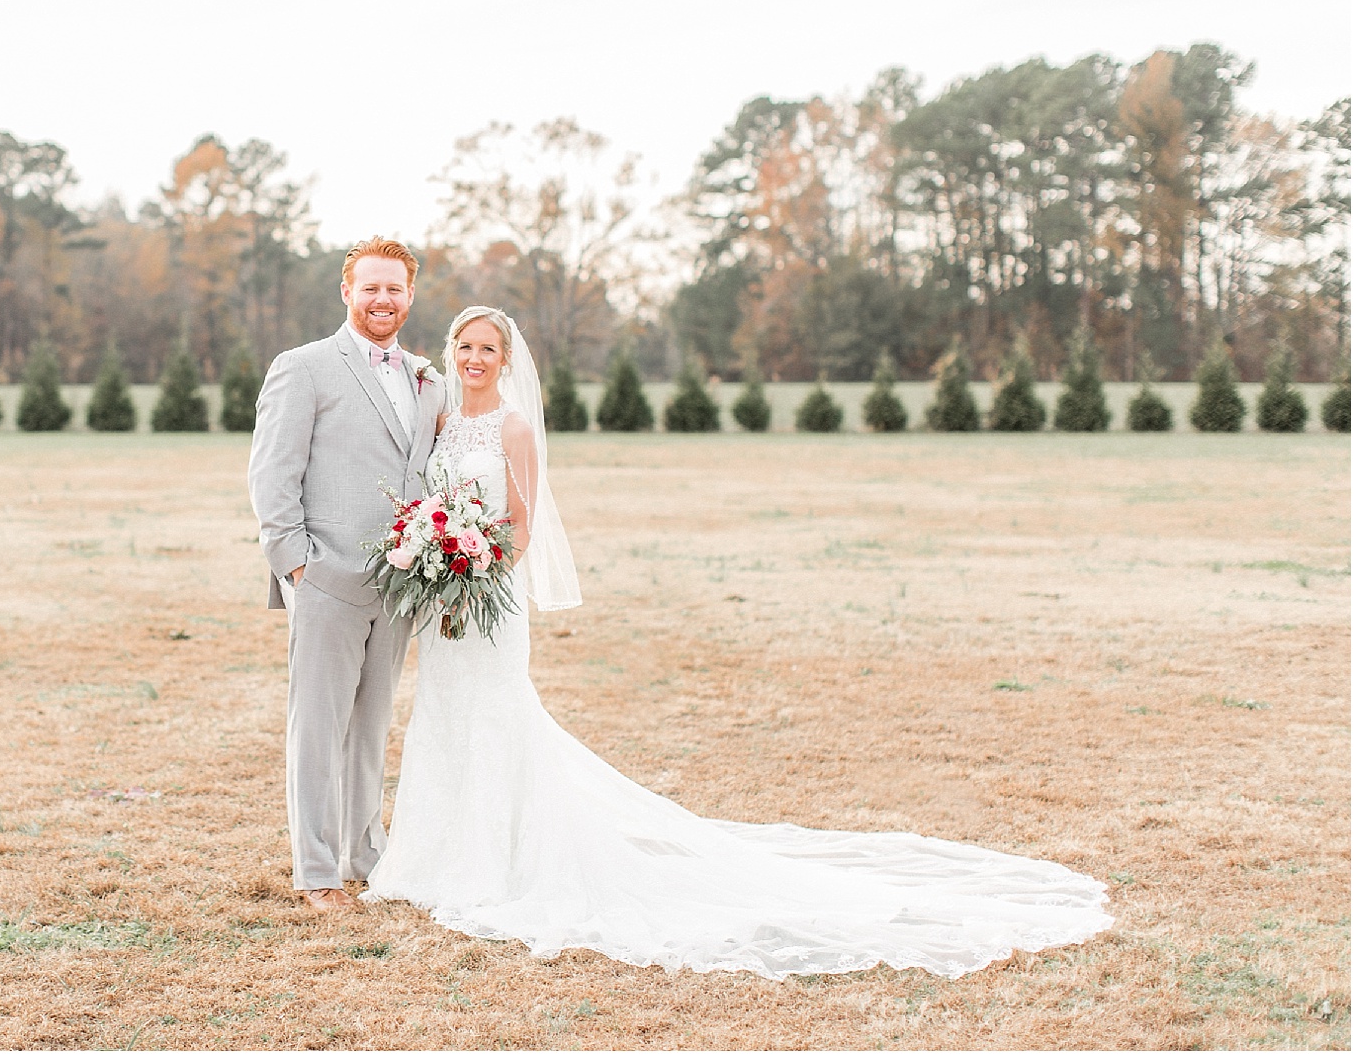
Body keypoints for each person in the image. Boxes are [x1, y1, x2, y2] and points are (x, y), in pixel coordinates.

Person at [361, 305, 1115, 979]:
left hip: (490, 602)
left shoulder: (515, 429)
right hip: (444, 607)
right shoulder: (441, 424)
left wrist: (478, 575)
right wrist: (435, 562)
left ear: (507, 358)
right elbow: (432, 503)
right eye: (465, 344)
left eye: (488, 347)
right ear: (452, 349)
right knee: (444, 716)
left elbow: (522, 527)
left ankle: (496, 864)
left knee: (497, 718)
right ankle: (434, 856)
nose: (474, 358)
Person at [246, 237, 446, 912]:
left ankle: (366, 853)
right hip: (327, 578)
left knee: (369, 726)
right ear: (347, 292)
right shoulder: (303, 368)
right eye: (370, 287)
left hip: (399, 585)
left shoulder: (427, 379)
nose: (383, 299)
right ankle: (317, 872)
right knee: (317, 728)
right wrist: (298, 566)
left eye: (395, 288)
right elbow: (272, 475)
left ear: (410, 296)